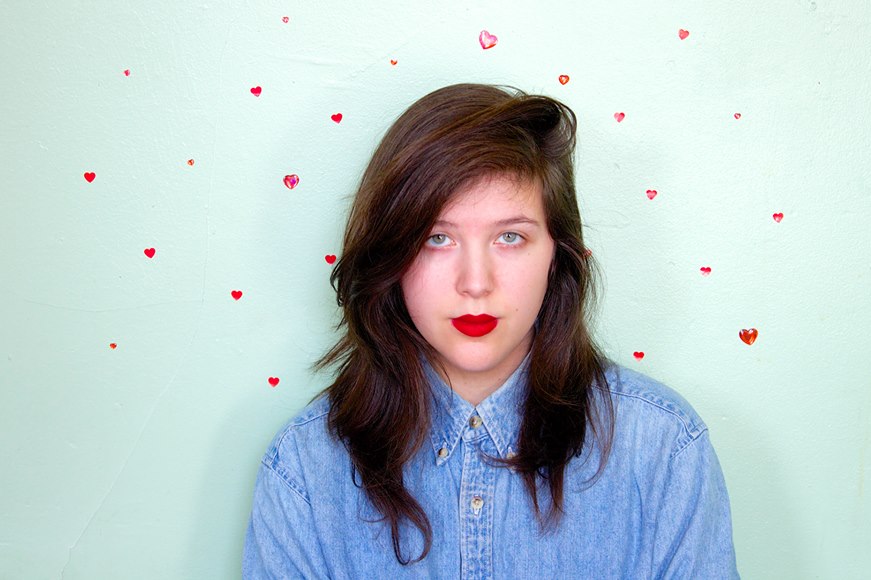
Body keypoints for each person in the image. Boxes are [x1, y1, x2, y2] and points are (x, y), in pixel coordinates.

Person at [242, 83, 739, 579]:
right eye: (437, 238)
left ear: (556, 254)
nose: (476, 283)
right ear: (391, 256)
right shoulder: (304, 468)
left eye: (510, 237)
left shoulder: (663, 449)